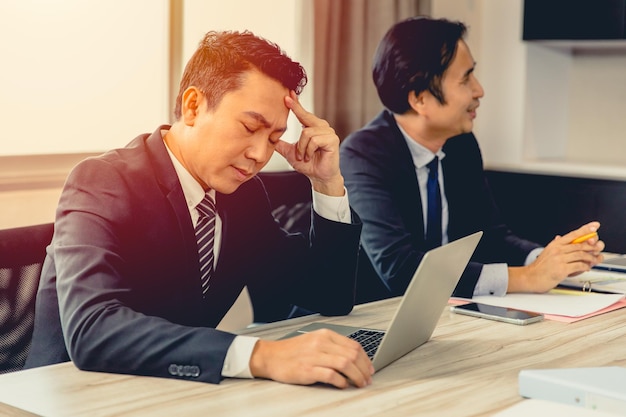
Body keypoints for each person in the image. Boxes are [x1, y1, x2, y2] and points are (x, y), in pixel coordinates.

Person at [25, 30, 374, 389]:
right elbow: (94, 329)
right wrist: (261, 355)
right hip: (76, 394)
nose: (259, 154)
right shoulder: (102, 181)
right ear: (193, 106)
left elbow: (328, 296)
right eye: (249, 127)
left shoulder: (243, 195)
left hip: (176, 393)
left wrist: (327, 183)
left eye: (272, 138)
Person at [340, 16, 605, 301]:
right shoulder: (362, 155)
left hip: (447, 313)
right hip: (372, 319)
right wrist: (528, 277)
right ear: (420, 99)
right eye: (465, 79)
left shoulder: (460, 144)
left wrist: (551, 260)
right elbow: (399, 270)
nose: (479, 90)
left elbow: (489, 236)